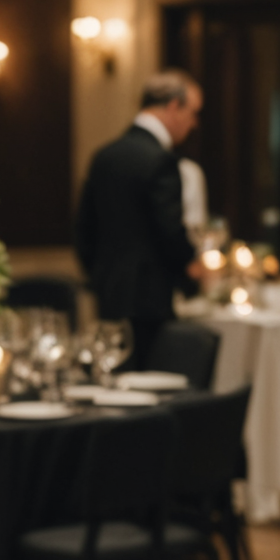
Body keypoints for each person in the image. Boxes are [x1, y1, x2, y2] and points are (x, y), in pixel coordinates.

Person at [75, 70, 203, 366]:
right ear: (174, 106)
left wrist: (100, 276)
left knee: (114, 374)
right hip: (150, 299)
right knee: (151, 378)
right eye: (193, 113)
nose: (194, 123)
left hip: (108, 295)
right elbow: (170, 232)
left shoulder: (104, 155)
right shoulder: (161, 160)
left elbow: (83, 230)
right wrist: (192, 270)